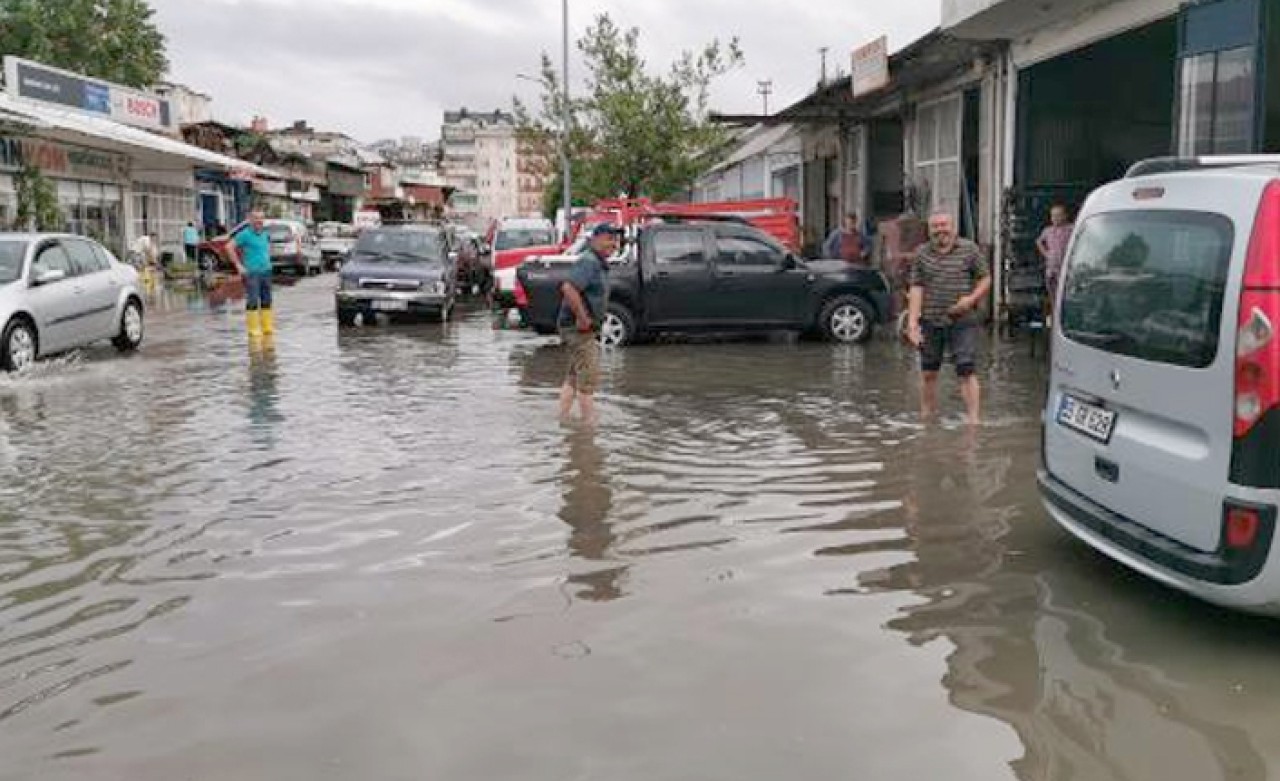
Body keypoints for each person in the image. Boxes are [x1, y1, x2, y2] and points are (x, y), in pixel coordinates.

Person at [905, 211, 992, 425]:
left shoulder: (969, 249)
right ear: (929, 230)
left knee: (965, 368)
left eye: (944, 225)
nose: (940, 230)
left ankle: (973, 420)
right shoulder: (921, 254)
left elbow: (986, 278)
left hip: (962, 320)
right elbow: (916, 288)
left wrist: (971, 299)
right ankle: (927, 417)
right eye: (935, 226)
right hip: (930, 320)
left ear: (953, 227)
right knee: (928, 372)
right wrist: (912, 323)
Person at [557, 223, 621, 423]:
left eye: (616, 239)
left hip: (578, 329)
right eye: (609, 238)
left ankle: (563, 419)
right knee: (587, 382)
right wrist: (583, 318)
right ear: (595, 239)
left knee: (574, 377)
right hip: (578, 330)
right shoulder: (589, 262)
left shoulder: (597, 262)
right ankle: (588, 435)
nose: (614, 243)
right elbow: (568, 288)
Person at [227, 210, 274, 338]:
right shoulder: (245, 234)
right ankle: (253, 329)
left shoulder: (264, 233)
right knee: (253, 300)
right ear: (250, 220)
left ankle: (267, 327)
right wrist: (238, 265)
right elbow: (229, 247)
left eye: (261, 218)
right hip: (251, 273)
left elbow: (267, 248)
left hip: (266, 271)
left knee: (267, 300)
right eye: (256, 218)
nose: (259, 221)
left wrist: (268, 260)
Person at [1035, 203, 1074, 307]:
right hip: (1051, 268)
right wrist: (1046, 253)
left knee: (1065, 294)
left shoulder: (1071, 229)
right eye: (1053, 216)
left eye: (1058, 215)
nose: (1055, 218)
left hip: (1065, 268)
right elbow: (1038, 241)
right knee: (1053, 295)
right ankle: (1054, 312)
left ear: (1065, 216)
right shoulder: (1048, 230)